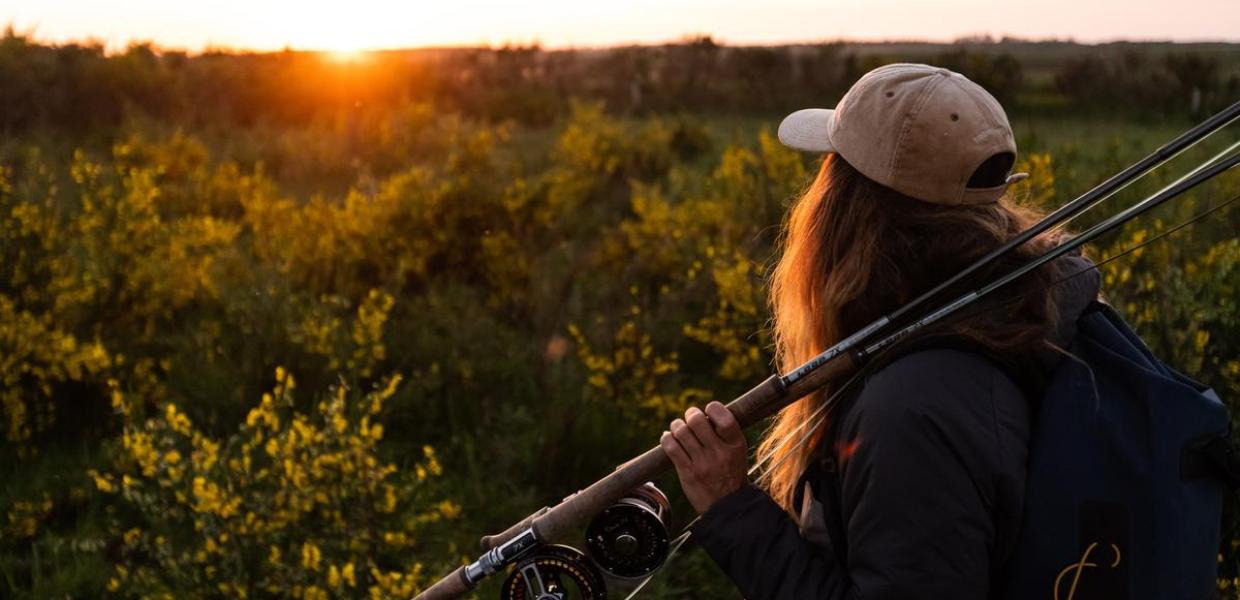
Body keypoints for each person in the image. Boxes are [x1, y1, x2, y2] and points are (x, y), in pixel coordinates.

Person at [657, 63, 1100, 599]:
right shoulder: (1014, 318)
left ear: (847, 206)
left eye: (829, 170)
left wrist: (733, 508)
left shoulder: (914, 409)